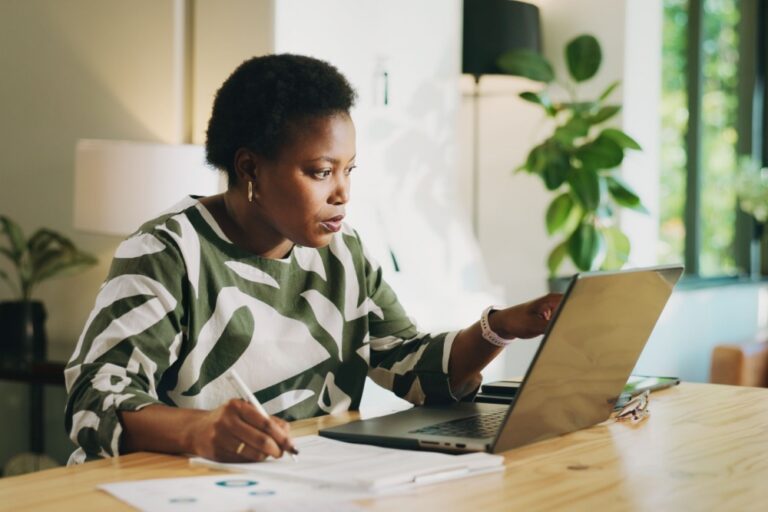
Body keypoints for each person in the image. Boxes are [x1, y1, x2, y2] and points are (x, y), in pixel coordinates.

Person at [64, 54, 561, 465]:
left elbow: (412, 369)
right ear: (249, 167)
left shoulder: (344, 256)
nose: (342, 193)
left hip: (301, 487)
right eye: (321, 171)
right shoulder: (168, 252)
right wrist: (197, 430)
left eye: (349, 170)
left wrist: (500, 327)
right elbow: (94, 401)